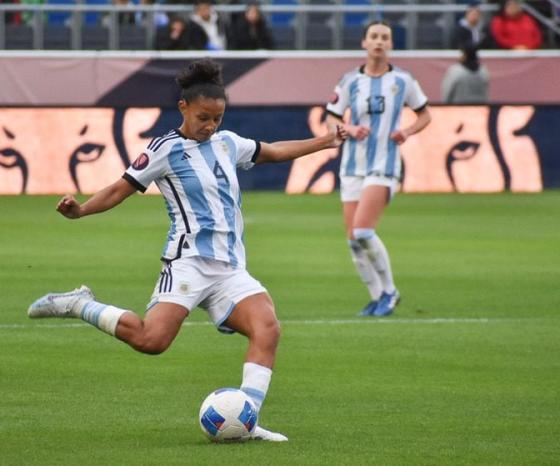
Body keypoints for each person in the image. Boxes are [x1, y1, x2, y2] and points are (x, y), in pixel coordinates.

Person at [27, 59, 347, 441]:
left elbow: (274, 151)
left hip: (230, 268)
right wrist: (80, 211)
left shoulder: (228, 144)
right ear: (184, 108)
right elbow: (119, 189)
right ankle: (79, 303)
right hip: (188, 263)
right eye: (203, 117)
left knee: (267, 328)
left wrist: (325, 142)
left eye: (217, 118)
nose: (211, 126)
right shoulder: (164, 149)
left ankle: (246, 421)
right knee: (151, 341)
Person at [324, 20, 432, 317]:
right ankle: (377, 297)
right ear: (364, 43)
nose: (379, 42)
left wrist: (407, 131)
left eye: (385, 37)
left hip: (384, 164)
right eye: (374, 36)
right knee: (353, 241)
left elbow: (425, 115)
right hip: (351, 167)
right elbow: (330, 118)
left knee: (362, 230)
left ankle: (390, 291)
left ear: (391, 44)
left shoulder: (403, 80)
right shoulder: (349, 81)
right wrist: (348, 128)